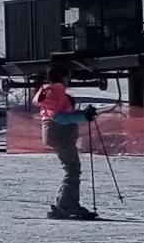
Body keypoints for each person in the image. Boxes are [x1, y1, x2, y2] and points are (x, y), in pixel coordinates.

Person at [34, 64, 98, 220]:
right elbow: (58, 117)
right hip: (59, 134)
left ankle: (70, 204)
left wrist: (83, 114)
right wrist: (83, 116)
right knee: (72, 169)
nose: (69, 79)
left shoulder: (53, 91)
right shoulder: (54, 92)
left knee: (73, 168)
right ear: (63, 76)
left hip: (61, 135)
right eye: (68, 75)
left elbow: (62, 114)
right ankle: (65, 206)